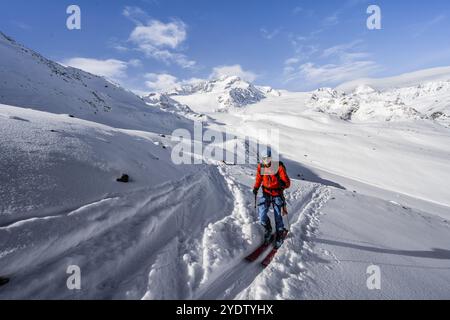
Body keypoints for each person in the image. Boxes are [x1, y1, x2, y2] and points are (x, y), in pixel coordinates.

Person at [253, 150, 291, 248]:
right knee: (262, 214)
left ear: (270, 158)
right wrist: (256, 187)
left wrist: (282, 184)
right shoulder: (261, 167)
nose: (266, 161)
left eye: (268, 158)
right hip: (266, 193)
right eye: (264, 159)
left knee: (278, 214)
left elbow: (287, 183)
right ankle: (268, 229)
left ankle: (279, 233)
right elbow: (259, 178)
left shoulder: (278, 166)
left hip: (277, 193)